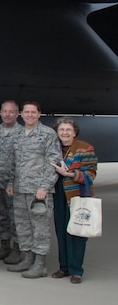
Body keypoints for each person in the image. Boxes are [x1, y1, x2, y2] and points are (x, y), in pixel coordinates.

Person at [4, 101, 60, 279]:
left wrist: (45, 186)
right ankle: (27, 259)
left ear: (39, 114)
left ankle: (40, 264)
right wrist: (11, 183)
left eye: (33, 112)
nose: (29, 115)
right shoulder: (18, 134)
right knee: (23, 226)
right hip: (20, 189)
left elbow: (54, 162)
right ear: (21, 114)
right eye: (26, 112)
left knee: (40, 227)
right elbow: (13, 162)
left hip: (39, 191)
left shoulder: (47, 134)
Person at [51, 118, 98, 284]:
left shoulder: (85, 148)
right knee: (61, 230)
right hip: (58, 195)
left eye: (68, 130)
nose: (65, 133)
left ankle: (76, 270)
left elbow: (91, 174)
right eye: (62, 129)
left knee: (77, 232)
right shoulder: (54, 148)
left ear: (75, 132)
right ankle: (64, 267)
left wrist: (70, 174)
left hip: (77, 195)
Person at [0, 100, 21, 263]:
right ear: (0, 112)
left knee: (16, 216)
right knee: (0, 215)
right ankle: (4, 245)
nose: (7, 114)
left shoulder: (22, 133)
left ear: (17, 114)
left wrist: (12, 182)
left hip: (14, 183)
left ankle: (17, 248)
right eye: (5, 111)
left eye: (11, 111)